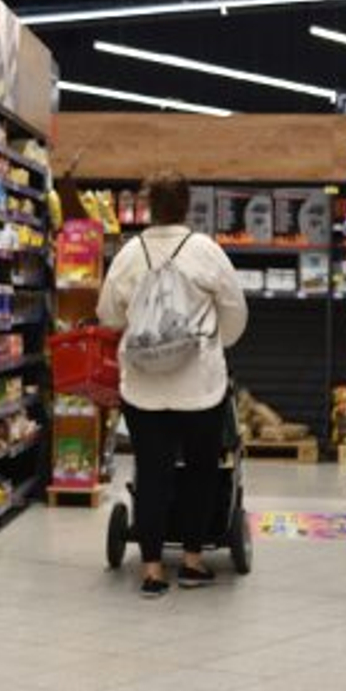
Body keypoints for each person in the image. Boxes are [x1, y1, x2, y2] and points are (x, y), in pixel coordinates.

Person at [96, 171, 248, 598]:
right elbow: (235, 314)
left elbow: (108, 314)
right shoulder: (206, 251)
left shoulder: (130, 254)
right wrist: (214, 343)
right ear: (187, 205)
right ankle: (194, 562)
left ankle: (151, 570)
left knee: (152, 474)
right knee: (201, 471)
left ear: (148, 207)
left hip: (143, 389)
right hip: (199, 387)